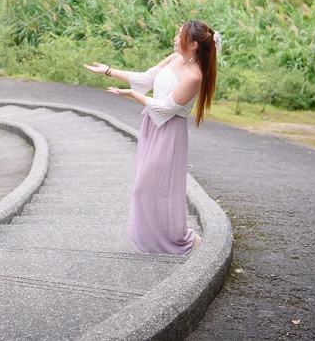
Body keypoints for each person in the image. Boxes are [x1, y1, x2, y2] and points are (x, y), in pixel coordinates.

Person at [84, 20, 221, 255]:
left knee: (152, 189)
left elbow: (167, 108)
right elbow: (146, 78)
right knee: (149, 188)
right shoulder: (174, 58)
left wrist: (132, 95)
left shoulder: (194, 76)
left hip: (169, 133)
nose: (176, 38)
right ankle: (159, 240)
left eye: (180, 36)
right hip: (152, 127)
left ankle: (180, 239)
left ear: (194, 45)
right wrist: (108, 71)